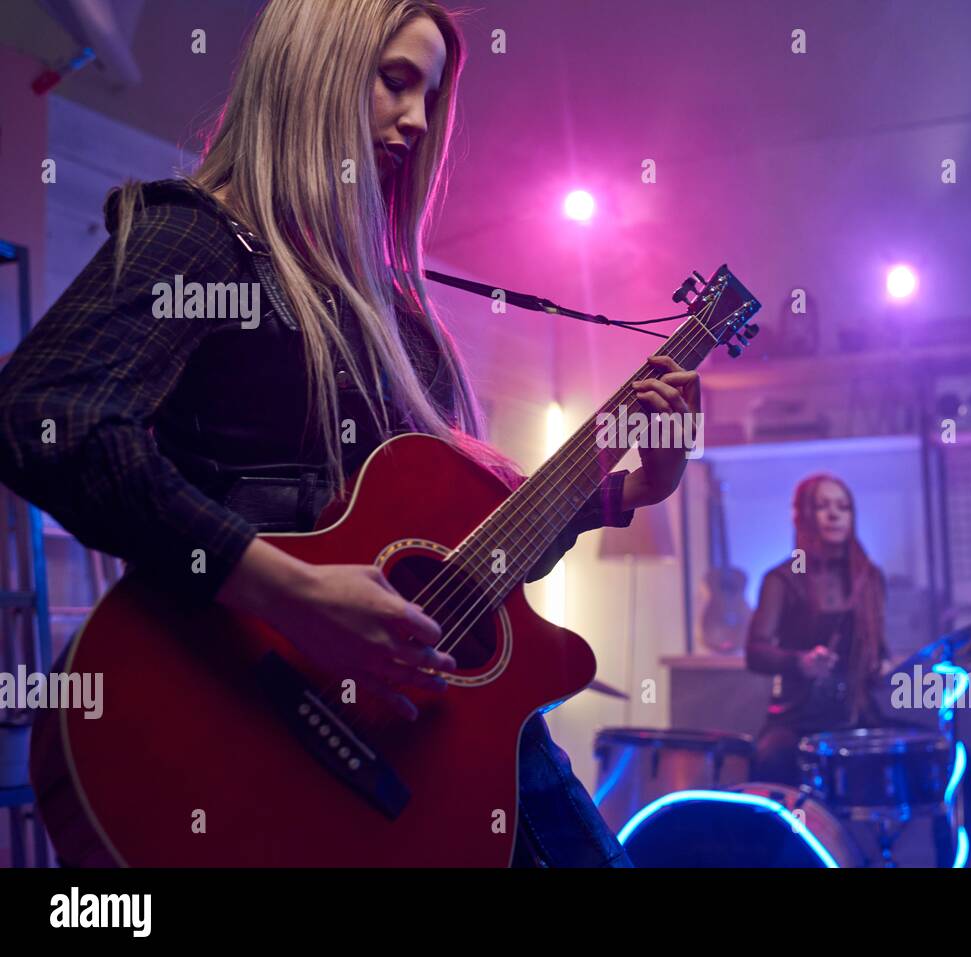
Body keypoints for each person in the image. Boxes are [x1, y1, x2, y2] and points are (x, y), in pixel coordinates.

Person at [0, 0, 701, 867]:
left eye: (429, 96)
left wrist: (623, 491)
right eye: (394, 81)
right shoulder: (203, 241)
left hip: (455, 745)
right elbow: (50, 413)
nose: (415, 119)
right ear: (313, 72)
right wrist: (292, 594)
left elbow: (456, 567)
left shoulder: (393, 315)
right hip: (262, 723)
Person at [745, 474, 892, 785]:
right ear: (803, 516)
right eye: (823, 506)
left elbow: (879, 649)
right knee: (769, 762)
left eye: (843, 506)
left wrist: (881, 664)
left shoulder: (871, 578)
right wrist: (800, 662)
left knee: (952, 757)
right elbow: (755, 652)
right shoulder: (781, 579)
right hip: (797, 720)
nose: (835, 514)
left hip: (859, 718)